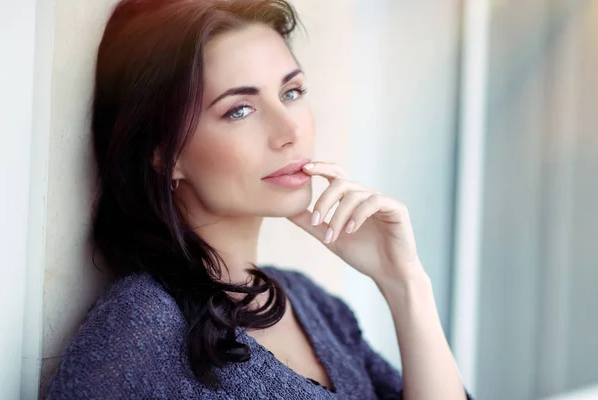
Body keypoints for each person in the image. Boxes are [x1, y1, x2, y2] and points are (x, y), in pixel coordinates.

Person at [45, 0, 473, 399]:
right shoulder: (140, 327)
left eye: (291, 93)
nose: (290, 131)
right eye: (240, 110)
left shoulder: (312, 304)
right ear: (164, 154)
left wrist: (405, 285)